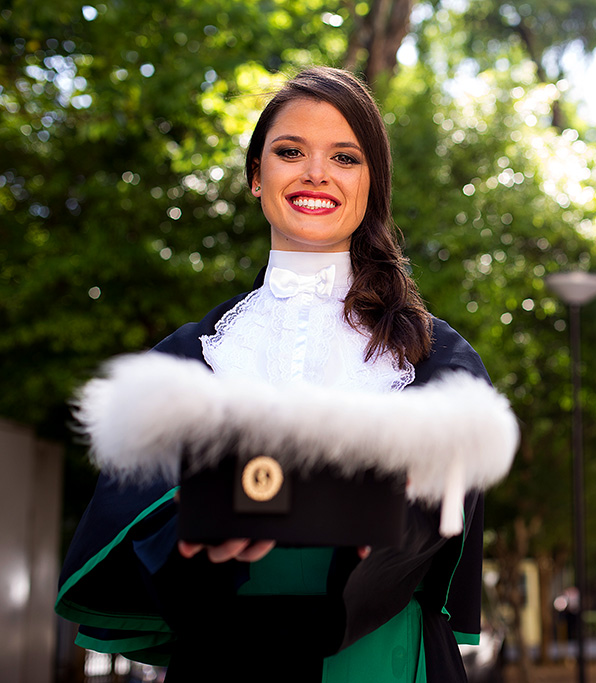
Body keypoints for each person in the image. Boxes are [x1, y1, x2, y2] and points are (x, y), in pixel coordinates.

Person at [56, 66, 489, 682]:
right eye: (291, 152)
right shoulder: (182, 362)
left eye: (345, 157)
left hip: (382, 656)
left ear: (371, 185)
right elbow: (134, 534)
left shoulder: (436, 359)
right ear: (257, 178)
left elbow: (442, 524)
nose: (317, 174)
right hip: (225, 653)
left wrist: (388, 527)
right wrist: (195, 550)